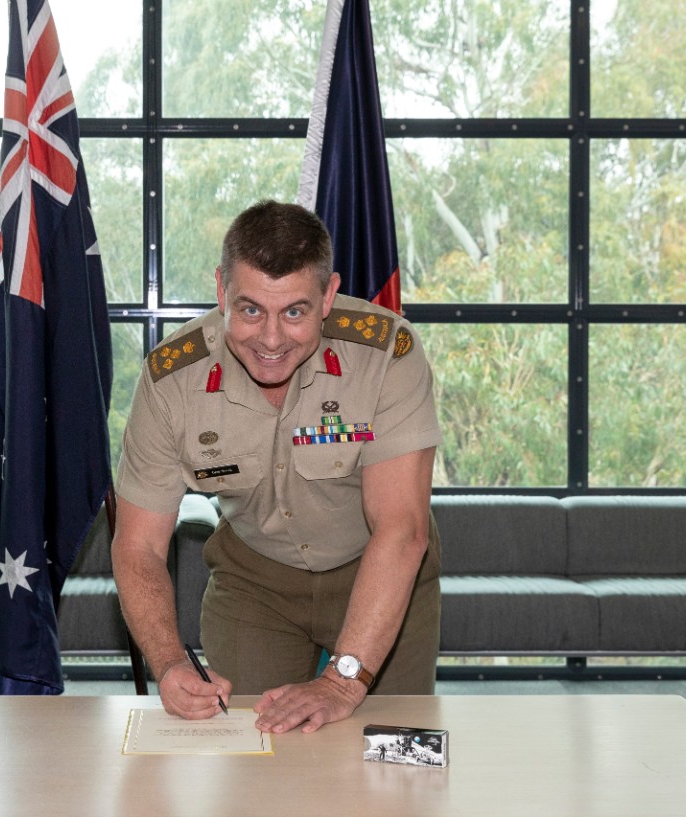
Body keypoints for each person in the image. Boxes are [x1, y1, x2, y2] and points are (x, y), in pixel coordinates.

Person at [111, 200, 442, 735]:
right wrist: (170, 662)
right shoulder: (172, 379)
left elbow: (401, 530)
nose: (270, 339)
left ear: (328, 296)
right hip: (255, 579)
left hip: (377, 564)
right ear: (221, 290)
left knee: (386, 752)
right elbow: (138, 546)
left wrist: (342, 681)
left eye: (294, 312)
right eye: (249, 310)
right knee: (247, 745)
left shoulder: (386, 353)